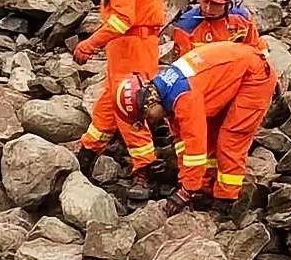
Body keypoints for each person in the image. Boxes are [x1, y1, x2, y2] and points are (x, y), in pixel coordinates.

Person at [116, 41, 277, 214]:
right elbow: (182, 141)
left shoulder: (184, 97)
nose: (150, 122)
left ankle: (226, 200)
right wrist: (187, 182)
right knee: (211, 134)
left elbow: (195, 150)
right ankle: (207, 186)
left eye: (146, 117)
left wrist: (186, 192)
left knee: (230, 140)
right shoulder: (166, 91)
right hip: (234, 73)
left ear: (148, 102)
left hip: (255, 76)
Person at [73, 0, 167, 182]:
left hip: (131, 45)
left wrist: (89, 45)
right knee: (111, 98)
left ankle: (144, 167)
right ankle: (89, 150)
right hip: (141, 43)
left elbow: (121, 20)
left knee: (129, 102)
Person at [171, 0, 265, 55]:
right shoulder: (186, 27)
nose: (208, 8)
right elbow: (183, 66)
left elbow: (256, 49)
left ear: (228, 2)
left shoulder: (242, 18)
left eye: (216, 4)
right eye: (205, 1)